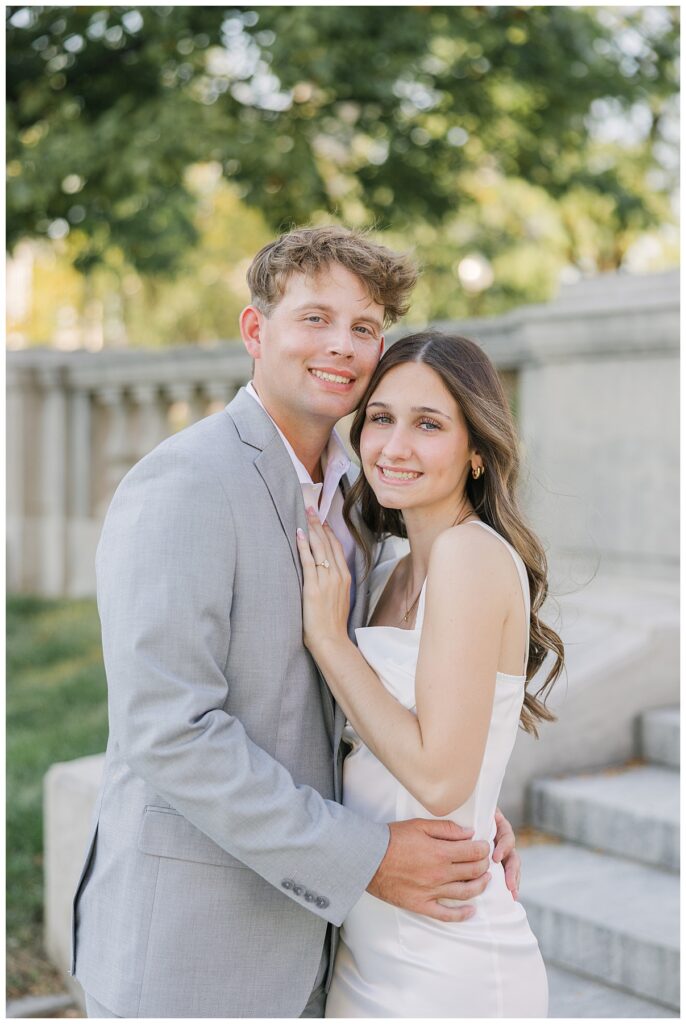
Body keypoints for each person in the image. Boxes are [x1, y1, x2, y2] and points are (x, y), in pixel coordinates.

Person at [70, 228, 521, 1018]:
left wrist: (455, 808)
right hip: (196, 953)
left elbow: (338, 709)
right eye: (315, 318)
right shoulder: (185, 482)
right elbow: (169, 732)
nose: (341, 345)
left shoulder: (362, 505)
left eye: (364, 326)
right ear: (256, 330)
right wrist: (368, 855)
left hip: (328, 954)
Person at [297, 330, 564, 1017]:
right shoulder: (390, 566)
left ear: (477, 451)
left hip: (448, 960)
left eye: (428, 424)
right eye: (381, 418)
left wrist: (329, 641)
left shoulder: (470, 557)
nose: (394, 446)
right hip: (370, 944)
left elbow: (442, 779)